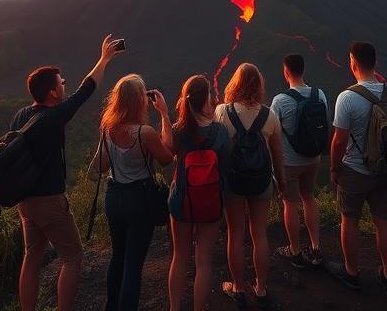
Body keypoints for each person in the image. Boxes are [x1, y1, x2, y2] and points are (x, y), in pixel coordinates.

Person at [12, 34, 124, 311]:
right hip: (49, 201)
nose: (65, 85)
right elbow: (86, 89)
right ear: (52, 92)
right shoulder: (54, 116)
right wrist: (105, 58)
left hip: (24, 202)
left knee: (31, 257)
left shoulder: (21, 115)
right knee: (73, 257)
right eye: (61, 83)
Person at [91, 74, 175, 311]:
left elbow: (103, 165)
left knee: (117, 257)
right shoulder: (144, 133)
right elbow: (167, 159)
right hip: (139, 199)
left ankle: (111, 306)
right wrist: (165, 115)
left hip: (113, 196)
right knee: (133, 264)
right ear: (140, 101)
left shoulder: (107, 128)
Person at [330, 41, 387, 296]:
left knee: (349, 220)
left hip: (354, 171)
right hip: (386, 171)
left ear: (353, 62)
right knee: (384, 222)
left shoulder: (347, 97)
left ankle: (351, 272)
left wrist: (333, 169)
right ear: (375, 63)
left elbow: (339, 140)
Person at [215, 63, 287, 309]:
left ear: (234, 84)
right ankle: (261, 287)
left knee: (235, 234)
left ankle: (237, 287)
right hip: (262, 181)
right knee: (259, 234)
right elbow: (278, 154)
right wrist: (282, 183)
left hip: (232, 181)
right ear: (259, 86)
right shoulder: (270, 115)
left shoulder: (222, 112)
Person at [167, 74, 228, 311]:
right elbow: (225, 166)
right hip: (211, 202)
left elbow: (167, 154)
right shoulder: (220, 132)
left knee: (179, 258)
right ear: (206, 101)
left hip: (181, 199)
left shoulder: (179, 130)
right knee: (203, 262)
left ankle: (174, 308)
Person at [269, 53, 328, 268]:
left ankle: (294, 251)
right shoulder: (319, 95)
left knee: (290, 204)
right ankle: (316, 248)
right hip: (313, 159)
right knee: (309, 198)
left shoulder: (280, 100)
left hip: (289, 163)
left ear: (286, 72)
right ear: (303, 70)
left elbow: (273, 133)